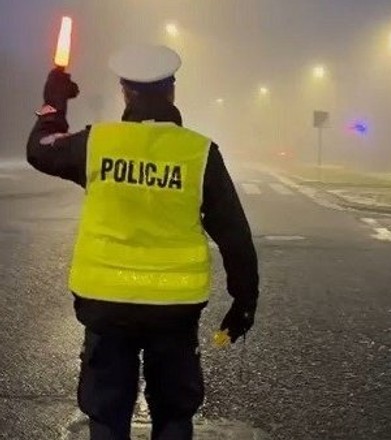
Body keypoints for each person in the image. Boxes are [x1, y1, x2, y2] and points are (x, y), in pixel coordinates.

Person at [26, 44, 260, 439]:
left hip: (106, 306)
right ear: (172, 92)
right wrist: (244, 300)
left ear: (125, 93)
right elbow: (234, 233)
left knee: (107, 415)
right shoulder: (198, 153)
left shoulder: (97, 143)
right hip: (174, 310)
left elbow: (40, 149)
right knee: (173, 414)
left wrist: (54, 101)